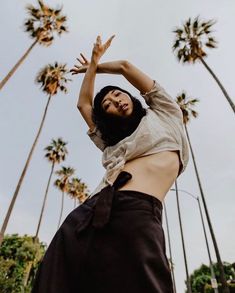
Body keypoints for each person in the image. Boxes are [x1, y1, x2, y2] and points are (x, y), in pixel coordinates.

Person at [31, 35, 189, 293]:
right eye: (108, 105)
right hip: (90, 213)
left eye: (117, 94)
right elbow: (83, 104)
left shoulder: (164, 114)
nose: (116, 101)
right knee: (56, 280)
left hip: (137, 212)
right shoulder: (111, 141)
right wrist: (91, 69)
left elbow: (126, 67)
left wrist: (95, 63)